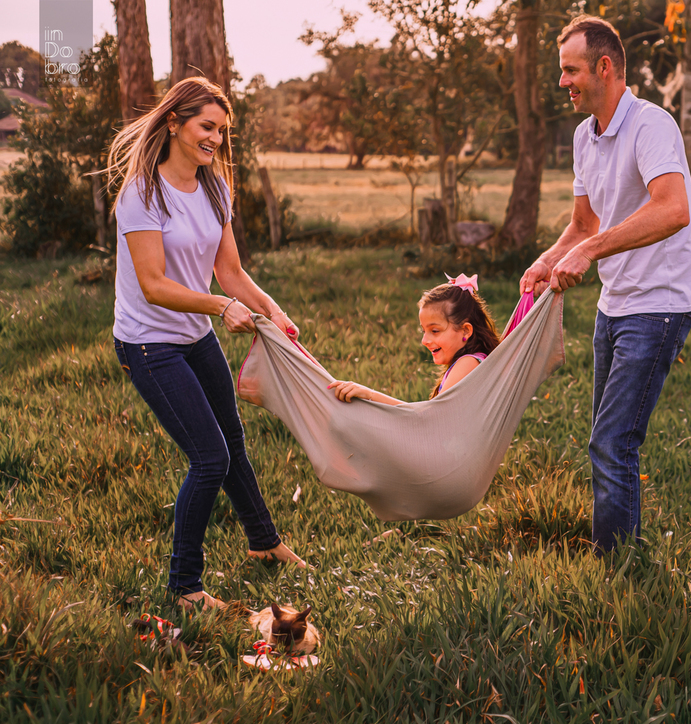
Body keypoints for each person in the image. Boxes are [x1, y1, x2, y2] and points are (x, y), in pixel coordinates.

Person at [107, 77, 307, 612]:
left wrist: (273, 311)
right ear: (174, 123)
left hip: (194, 338)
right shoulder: (142, 193)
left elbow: (230, 271)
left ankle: (264, 542)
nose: (216, 139)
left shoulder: (215, 188)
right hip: (148, 344)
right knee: (209, 459)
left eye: (222, 130)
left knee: (232, 440)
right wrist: (220, 307)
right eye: (206, 126)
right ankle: (184, 588)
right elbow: (154, 285)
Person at [520, 15, 691, 553]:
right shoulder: (586, 136)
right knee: (608, 440)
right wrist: (548, 258)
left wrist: (589, 252)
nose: (563, 82)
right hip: (613, 305)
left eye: (571, 70)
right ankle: (618, 557)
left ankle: (617, 566)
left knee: (612, 441)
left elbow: (673, 210)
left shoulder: (651, 125)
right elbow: (583, 224)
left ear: (605, 67)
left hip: (660, 304)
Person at [328, 274, 501, 404]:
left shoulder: (468, 363)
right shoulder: (472, 361)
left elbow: (428, 418)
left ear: (465, 331)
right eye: (423, 331)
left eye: (435, 330)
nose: (424, 340)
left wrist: (370, 395)